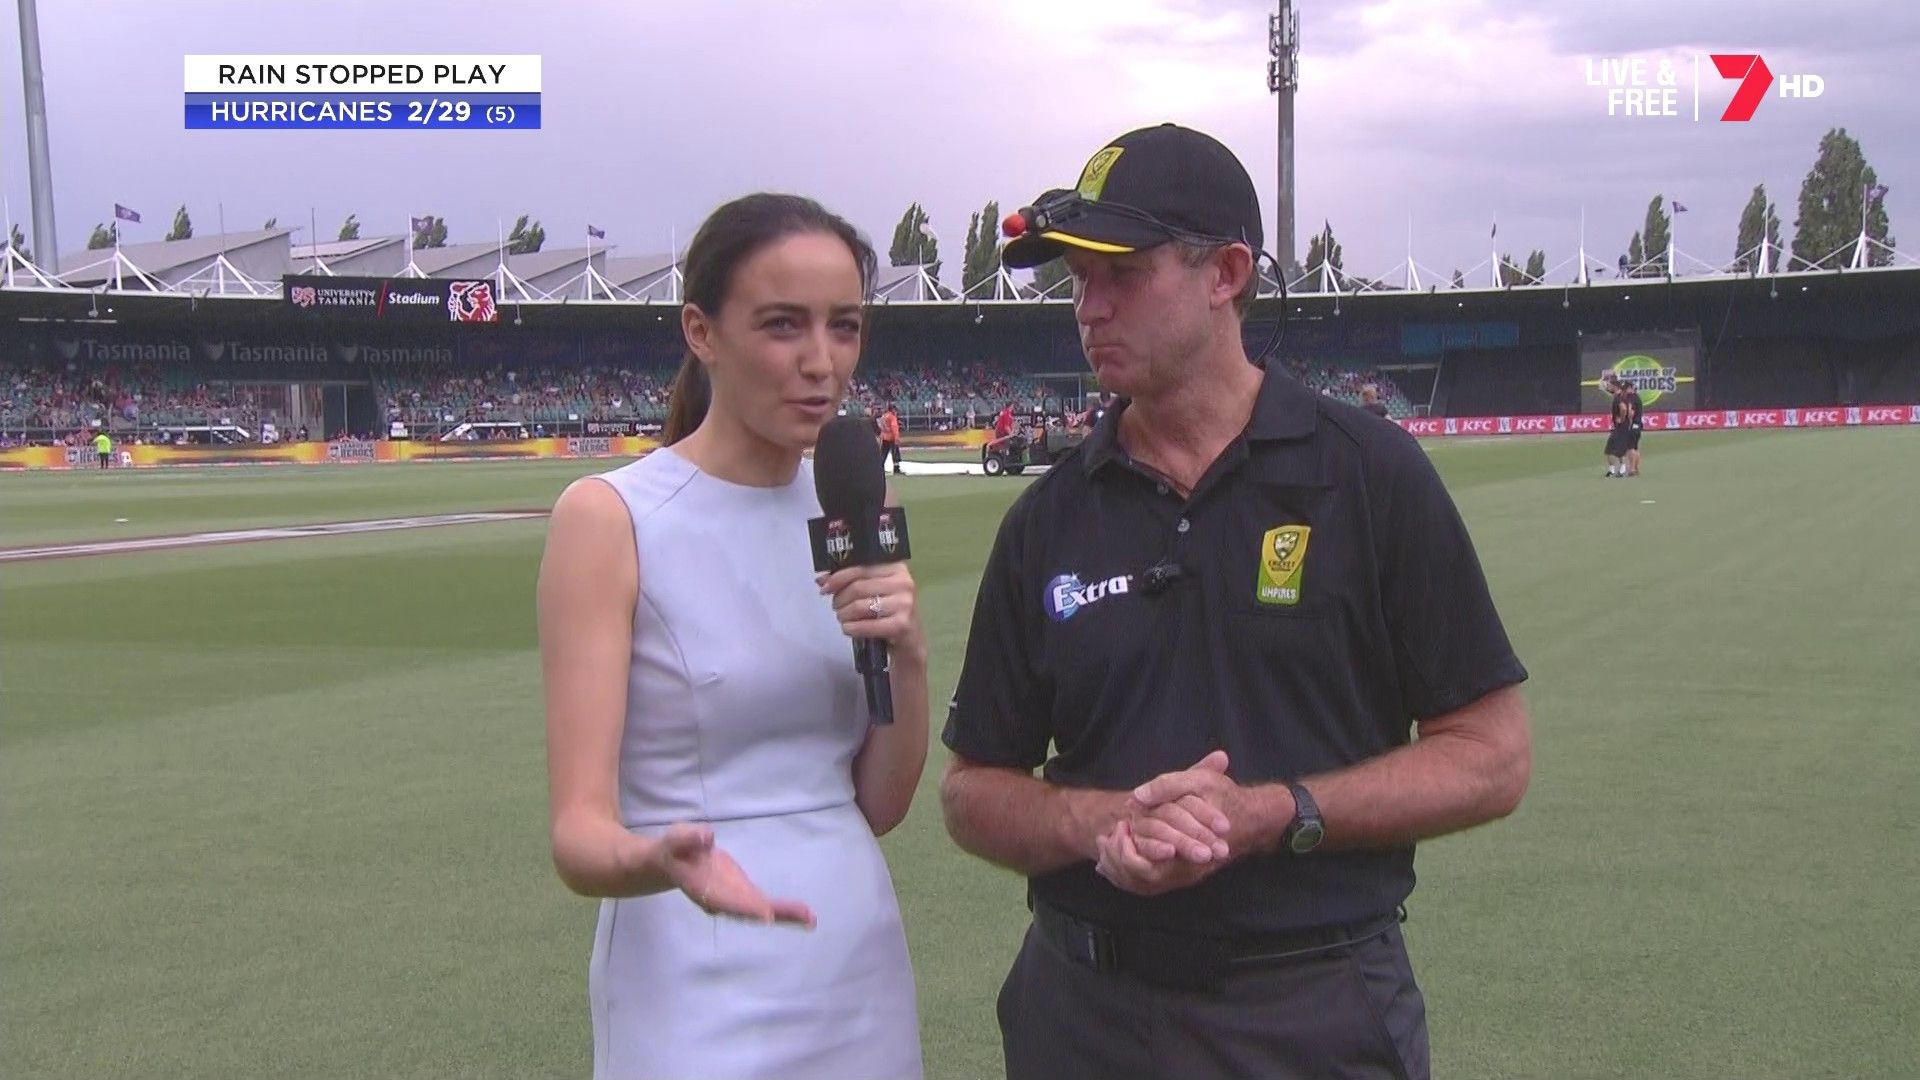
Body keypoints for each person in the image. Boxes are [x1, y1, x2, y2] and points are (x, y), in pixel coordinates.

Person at [940, 123, 1532, 1080]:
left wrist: (1272, 813)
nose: (1089, 308)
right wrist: (1104, 824)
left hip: (1314, 1011)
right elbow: (972, 791)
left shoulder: (1368, 474)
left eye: (1121, 273)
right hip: (1081, 1015)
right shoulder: (1046, 519)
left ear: (1225, 274)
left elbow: (1491, 757)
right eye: (1077, 280)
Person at [538, 193, 927, 1080]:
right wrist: (659, 858)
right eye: (784, 325)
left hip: (855, 955)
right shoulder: (610, 518)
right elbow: (577, 834)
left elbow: (881, 803)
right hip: (692, 966)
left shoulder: (859, 502)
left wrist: (908, 655)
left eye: (845, 326)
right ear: (701, 332)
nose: (821, 362)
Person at [1604, 374, 1632, 477]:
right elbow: (1629, 410)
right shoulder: (1622, 396)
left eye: (1610, 385)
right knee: (1620, 448)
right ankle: (1621, 469)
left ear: (1614, 386)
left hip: (1620, 427)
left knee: (1609, 449)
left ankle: (1612, 470)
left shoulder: (1619, 398)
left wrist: (1622, 419)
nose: (1608, 387)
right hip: (1624, 427)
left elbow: (1624, 409)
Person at [878, 402, 904, 474]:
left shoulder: (884, 416)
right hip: (891, 438)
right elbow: (894, 428)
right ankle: (896, 469)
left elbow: (880, 426)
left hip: (884, 437)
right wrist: (896, 438)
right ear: (892, 409)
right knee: (895, 454)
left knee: (883, 454)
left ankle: (880, 468)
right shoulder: (892, 417)